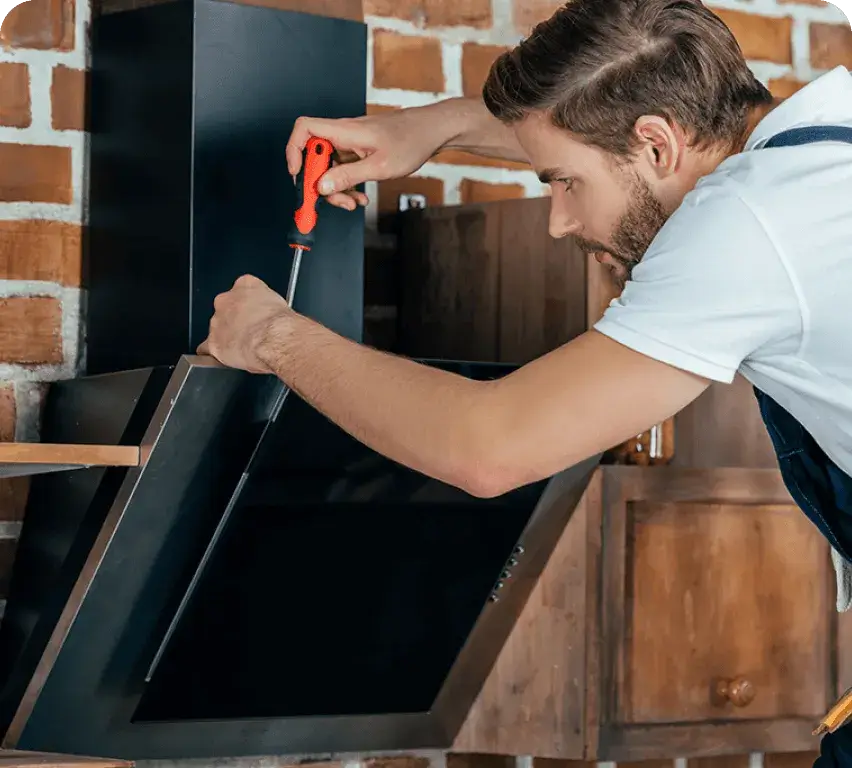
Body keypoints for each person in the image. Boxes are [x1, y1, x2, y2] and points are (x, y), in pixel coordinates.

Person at [197, 0, 852, 760]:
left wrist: (273, 336)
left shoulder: (743, 225)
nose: (559, 221)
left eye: (564, 182)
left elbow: (489, 447)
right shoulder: (821, 146)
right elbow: (600, 124)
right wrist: (431, 127)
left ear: (659, 144)